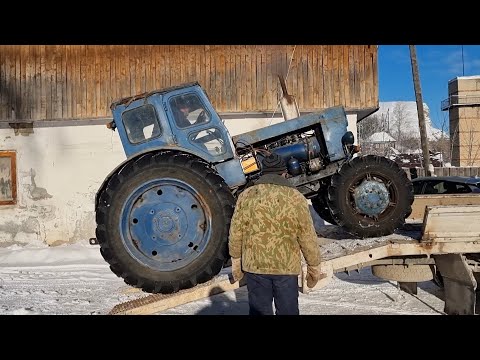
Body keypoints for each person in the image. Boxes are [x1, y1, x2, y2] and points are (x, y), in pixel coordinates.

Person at [228, 153, 325, 315]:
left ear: (264, 172)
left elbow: (236, 232)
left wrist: (236, 262)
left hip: (255, 268)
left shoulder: (246, 196)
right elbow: (307, 236)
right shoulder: (295, 198)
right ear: (284, 173)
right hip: (285, 269)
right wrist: (313, 267)